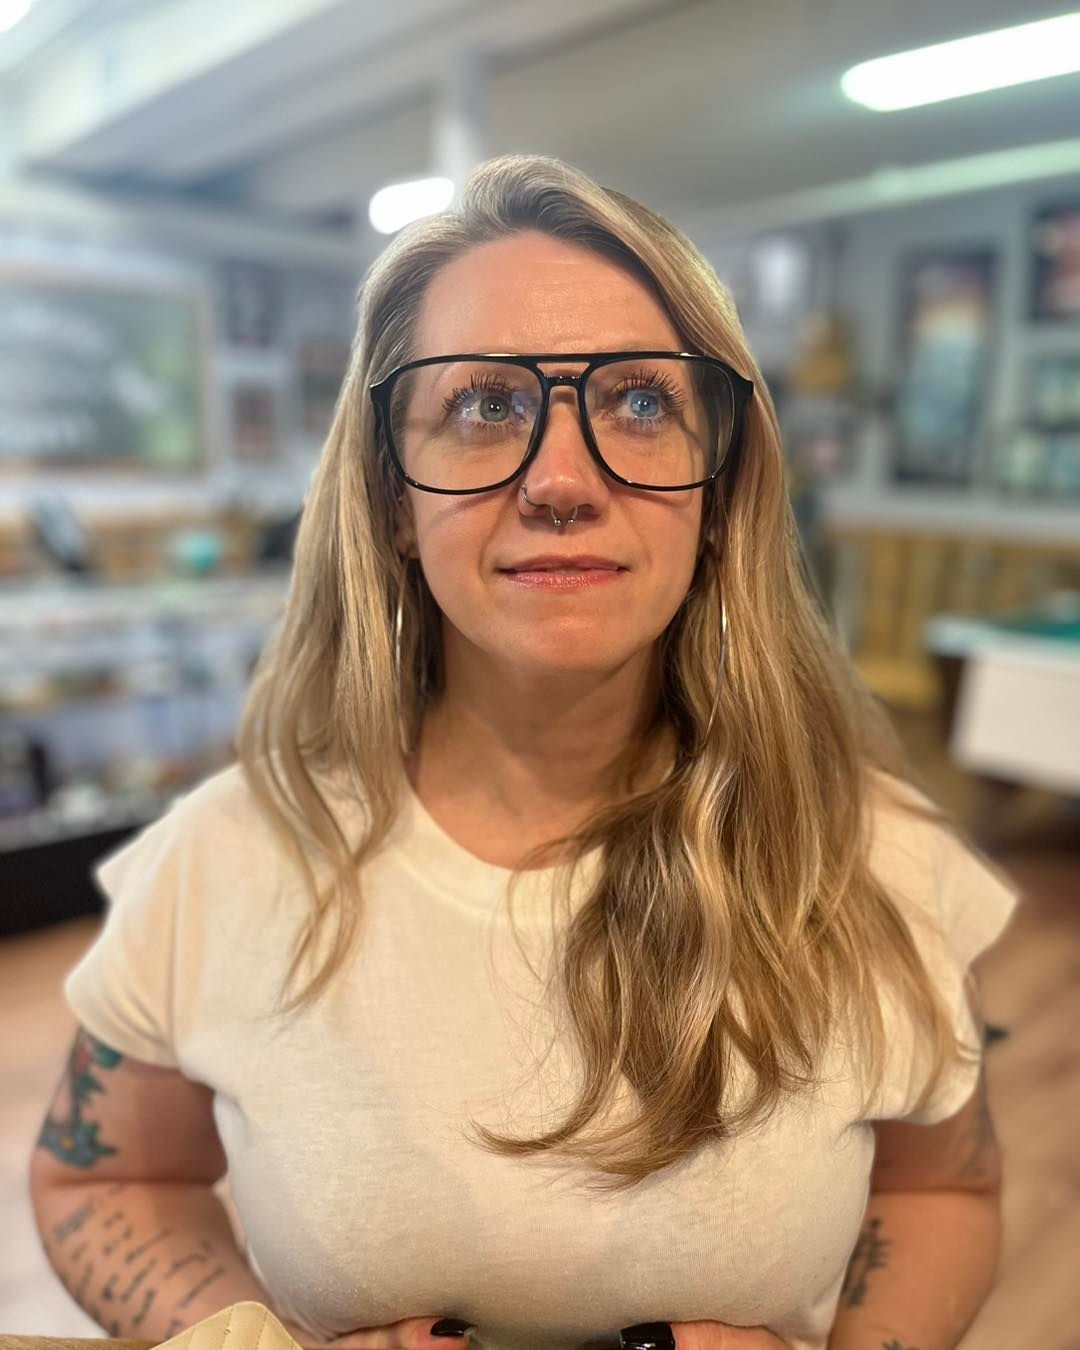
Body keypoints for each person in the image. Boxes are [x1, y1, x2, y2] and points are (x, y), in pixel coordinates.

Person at [29, 154, 1020, 1350]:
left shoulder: (871, 858)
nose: (561, 481)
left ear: (723, 487)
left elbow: (940, 1187)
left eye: (642, 404)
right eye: (487, 403)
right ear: (393, 497)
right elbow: (104, 1176)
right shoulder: (227, 859)